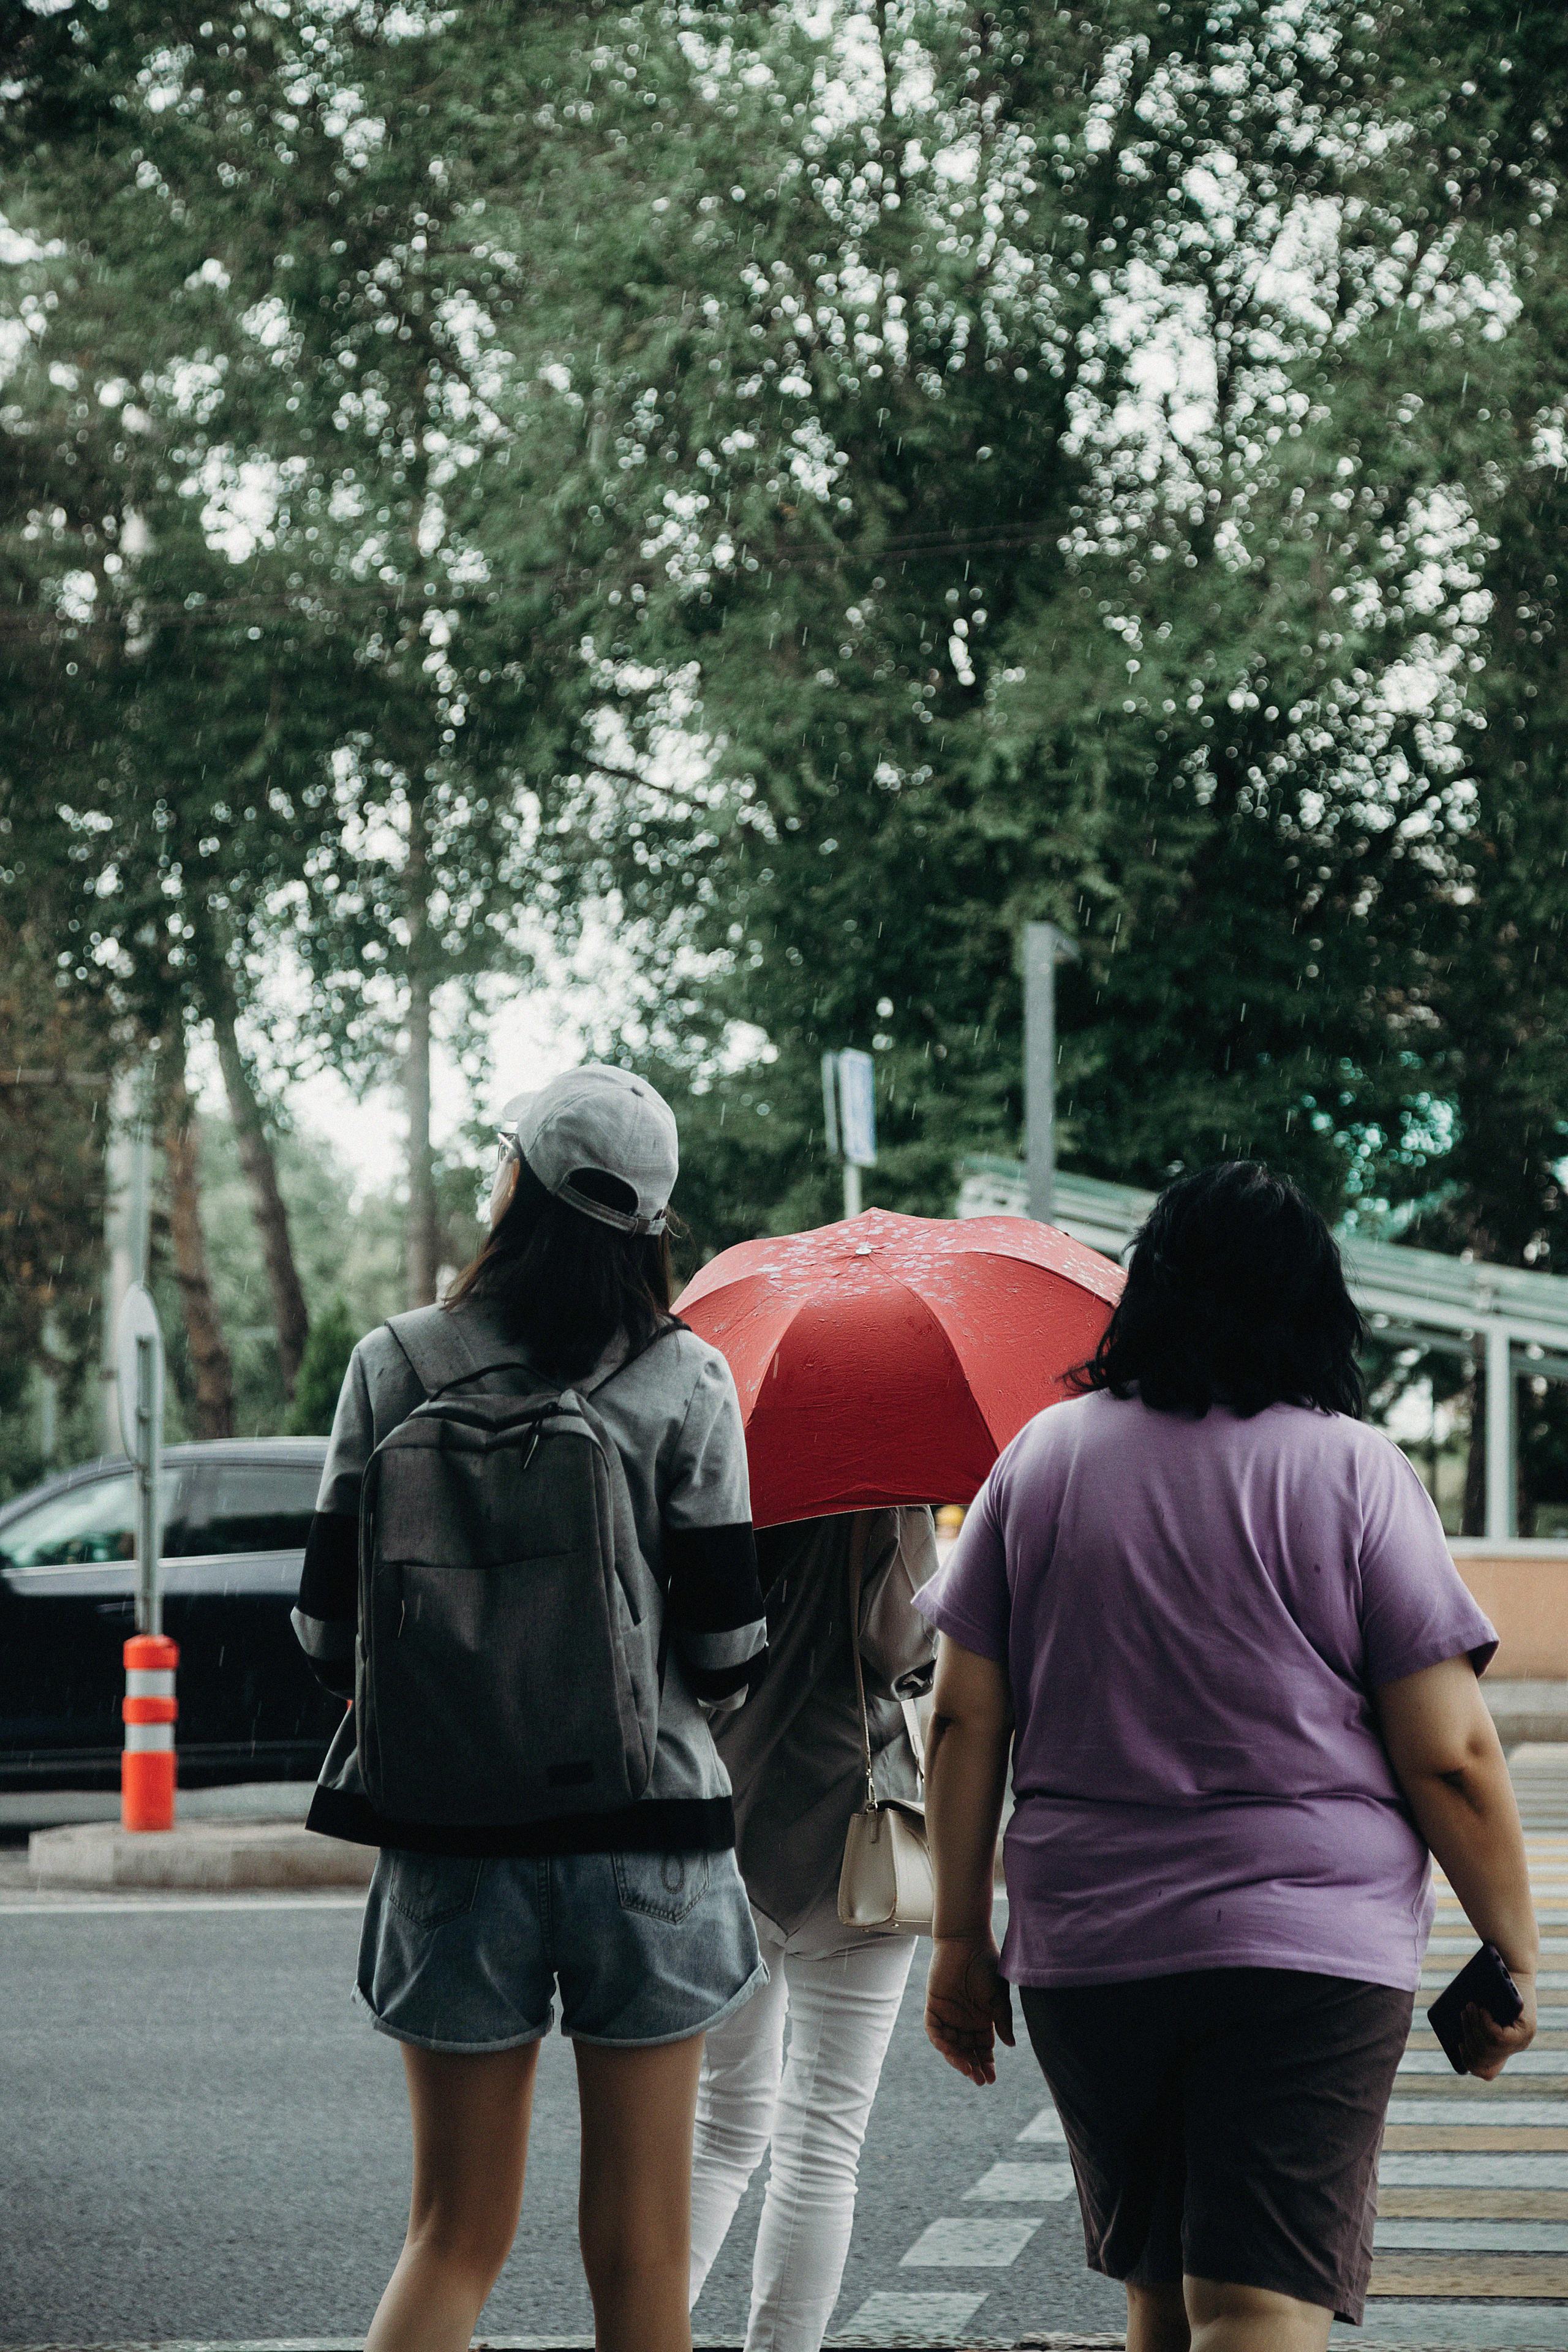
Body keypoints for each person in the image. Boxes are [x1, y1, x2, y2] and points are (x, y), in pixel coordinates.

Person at [916, 1162, 1539, 2352]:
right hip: (1304, 1949)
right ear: (1314, 1306)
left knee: (1158, 2289)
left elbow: (960, 1719)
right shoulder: (1352, 1471)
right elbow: (1449, 1754)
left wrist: (956, 1939)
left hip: (1089, 1948)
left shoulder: (1038, 1463)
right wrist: (1508, 1947)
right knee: (1254, 2302)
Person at [290, 1065, 769, 2352]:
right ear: (651, 1225)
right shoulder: (689, 1378)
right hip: (646, 1836)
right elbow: (725, 1652)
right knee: (641, 2250)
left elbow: (325, 1631)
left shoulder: (396, 1362)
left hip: (449, 1839)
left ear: (517, 1183)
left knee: (450, 2234)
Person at [686, 1506, 937, 2352]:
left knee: (719, 2129)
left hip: (720, 1817)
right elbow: (907, 1651)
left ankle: (637, 2333)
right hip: (853, 1828)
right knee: (824, 2137)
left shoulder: (711, 1464)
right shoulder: (881, 1492)